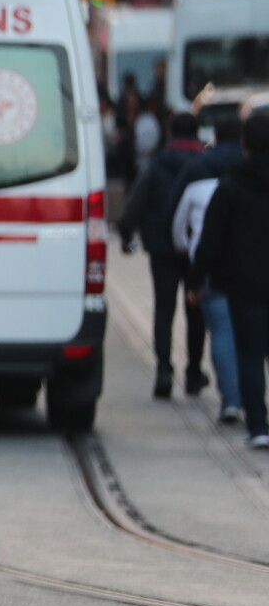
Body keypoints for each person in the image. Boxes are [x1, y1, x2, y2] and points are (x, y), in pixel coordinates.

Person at [191, 110, 269, 450]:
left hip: (244, 285)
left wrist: (196, 281)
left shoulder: (231, 185)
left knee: (250, 354)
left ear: (245, 145)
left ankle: (258, 424)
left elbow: (211, 239)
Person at [119, 111, 206, 398]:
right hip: (196, 248)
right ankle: (193, 372)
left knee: (164, 309)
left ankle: (164, 370)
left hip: (161, 247)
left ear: (171, 133)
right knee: (196, 310)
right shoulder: (204, 163)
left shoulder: (156, 164)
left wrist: (127, 232)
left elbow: (136, 201)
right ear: (196, 133)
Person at [173, 114, 246, 423]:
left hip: (216, 270)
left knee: (222, 332)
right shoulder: (251, 174)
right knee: (252, 338)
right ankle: (253, 403)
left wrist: (194, 276)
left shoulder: (200, 177)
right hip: (255, 270)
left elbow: (188, 233)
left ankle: (232, 399)